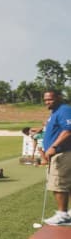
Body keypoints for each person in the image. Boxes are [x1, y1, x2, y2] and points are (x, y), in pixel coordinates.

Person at [41, 89, 71, 226]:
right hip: (60, 153)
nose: (47, 102)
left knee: (59, 184)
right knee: (66, 183)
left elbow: (68, 130)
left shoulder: (64, 109)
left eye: (50, 99)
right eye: (46, 100)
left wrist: (53, 146)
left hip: (62, 153)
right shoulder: (55, 112)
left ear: (59, 97)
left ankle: (62, 215)